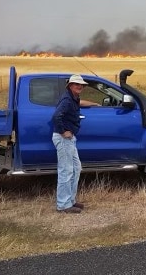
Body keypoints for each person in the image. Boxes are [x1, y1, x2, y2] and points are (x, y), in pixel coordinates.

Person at [51, 74, 90, 213]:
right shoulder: (67, 100)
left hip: (70, 139)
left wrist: (95, 104)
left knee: (76, 168)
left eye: (81, 85)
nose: (79, 86)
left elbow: (79, 103)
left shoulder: (73, 98)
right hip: (63, 139)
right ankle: (63, 205)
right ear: (70, 85)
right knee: (66, 170)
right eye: (76, 84)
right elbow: (56, 116)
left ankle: (71, 200)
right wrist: (63, 131)